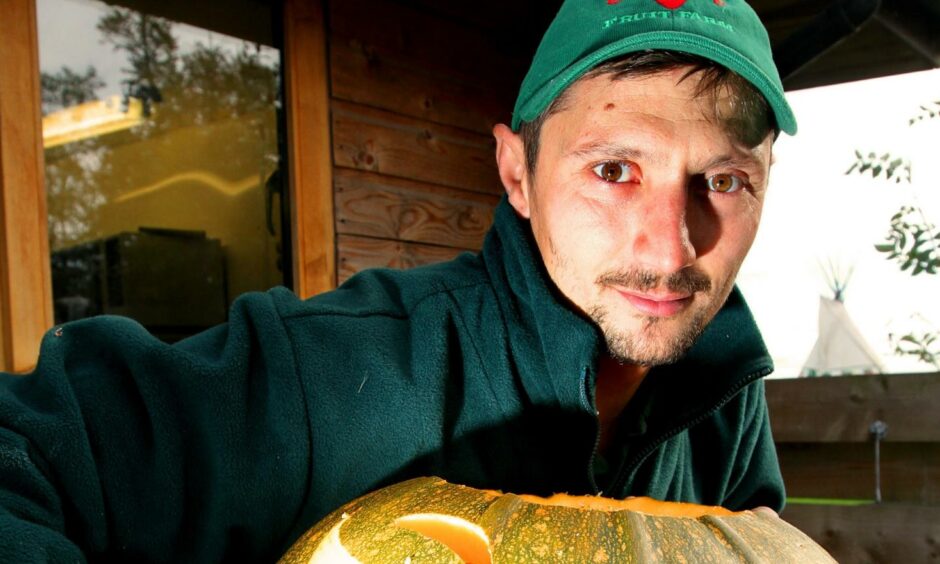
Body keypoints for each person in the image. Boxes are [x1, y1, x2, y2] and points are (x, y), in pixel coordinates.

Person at [0, 0, 797, 561]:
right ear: (517, 174)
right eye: (616, 169)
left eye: (723, 182)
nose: (670, 247)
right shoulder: (334, 374)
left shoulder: (722, 394)